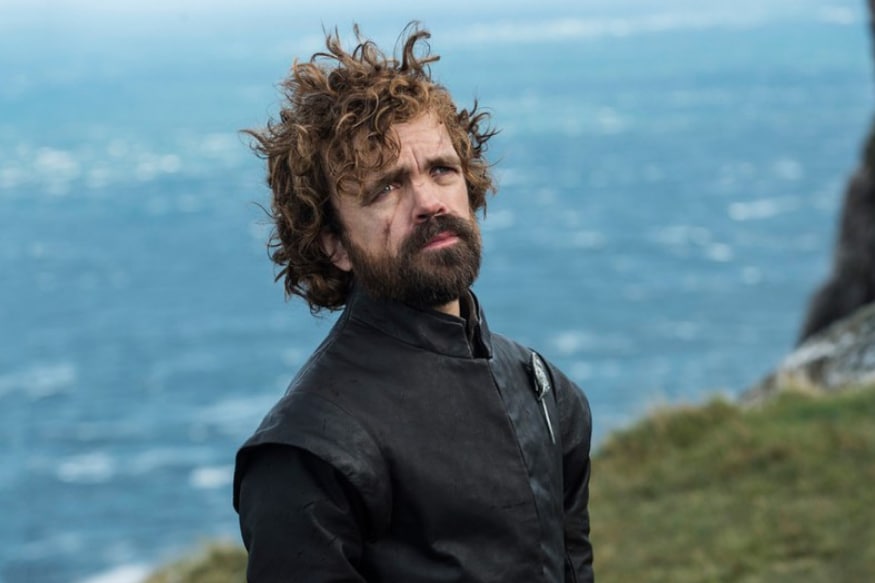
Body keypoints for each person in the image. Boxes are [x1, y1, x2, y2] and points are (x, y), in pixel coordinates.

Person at [233, 23, 595, 582]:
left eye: (441, 170)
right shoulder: (309, 453)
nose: (428, 202)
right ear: (334, 244)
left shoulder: (545, 393)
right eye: (386, 187)